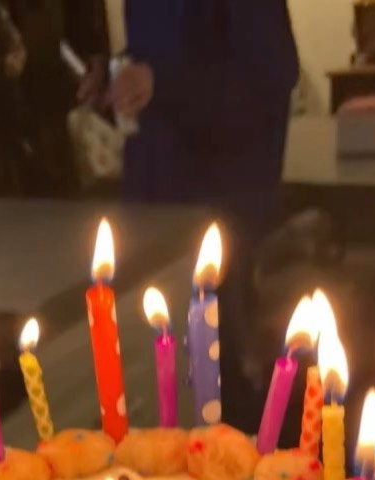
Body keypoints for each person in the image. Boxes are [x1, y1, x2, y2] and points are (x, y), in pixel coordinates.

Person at [78, 0, 299, 428]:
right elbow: (160, 55)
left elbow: (269, 80)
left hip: (220, 206)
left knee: (221, 383)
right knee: (164, 384)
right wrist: (116, 77)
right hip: (153, 208)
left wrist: (162, 85)